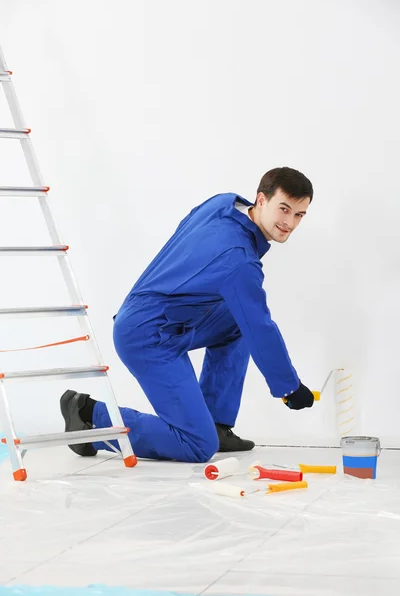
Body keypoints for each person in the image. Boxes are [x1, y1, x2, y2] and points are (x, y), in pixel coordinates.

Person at [60, 167, 315, 463]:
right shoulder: (239, 260)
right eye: (284, 209)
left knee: (236, 322)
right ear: (261, 199)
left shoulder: (224, 203)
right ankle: (90, 416)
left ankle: (216, 423)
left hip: (168, 318)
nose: (289, 222)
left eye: (299, 215)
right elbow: (260, 328)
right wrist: (289, 387)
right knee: (196, 445)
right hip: (147, 335)